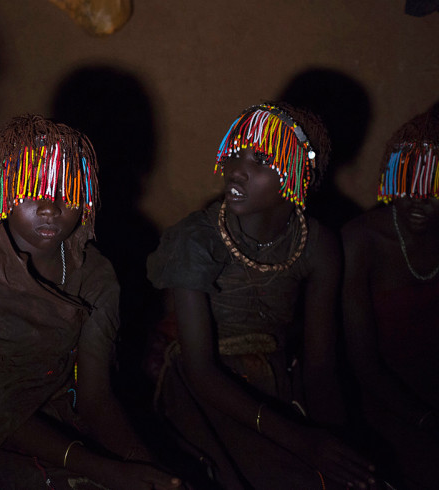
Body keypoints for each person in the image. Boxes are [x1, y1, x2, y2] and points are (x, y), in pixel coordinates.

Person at [147, 103, 377, 489]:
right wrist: (303, 442)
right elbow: (200, 370)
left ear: (297, 174)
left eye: (261, 159)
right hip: (202, 391)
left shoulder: (318, 245)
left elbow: (320, 368)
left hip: (276, 381)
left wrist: (335, 442)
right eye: (235, 154)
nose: (237, 168)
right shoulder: (195, 239)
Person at [0, 114, 182, 490]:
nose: (50, 207)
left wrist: (148, 467)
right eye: (31, 188)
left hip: (70, 424)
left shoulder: (95, 273)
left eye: (66, 190)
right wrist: (107, 470)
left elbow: (95, 396)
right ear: (1, 189)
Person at [341, 107, 439, 489]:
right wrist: (430, 422)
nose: (417, 198)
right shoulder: (361, 242)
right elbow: (363, 365)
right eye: (406, 180)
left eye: (435, 186)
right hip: (385, 406)